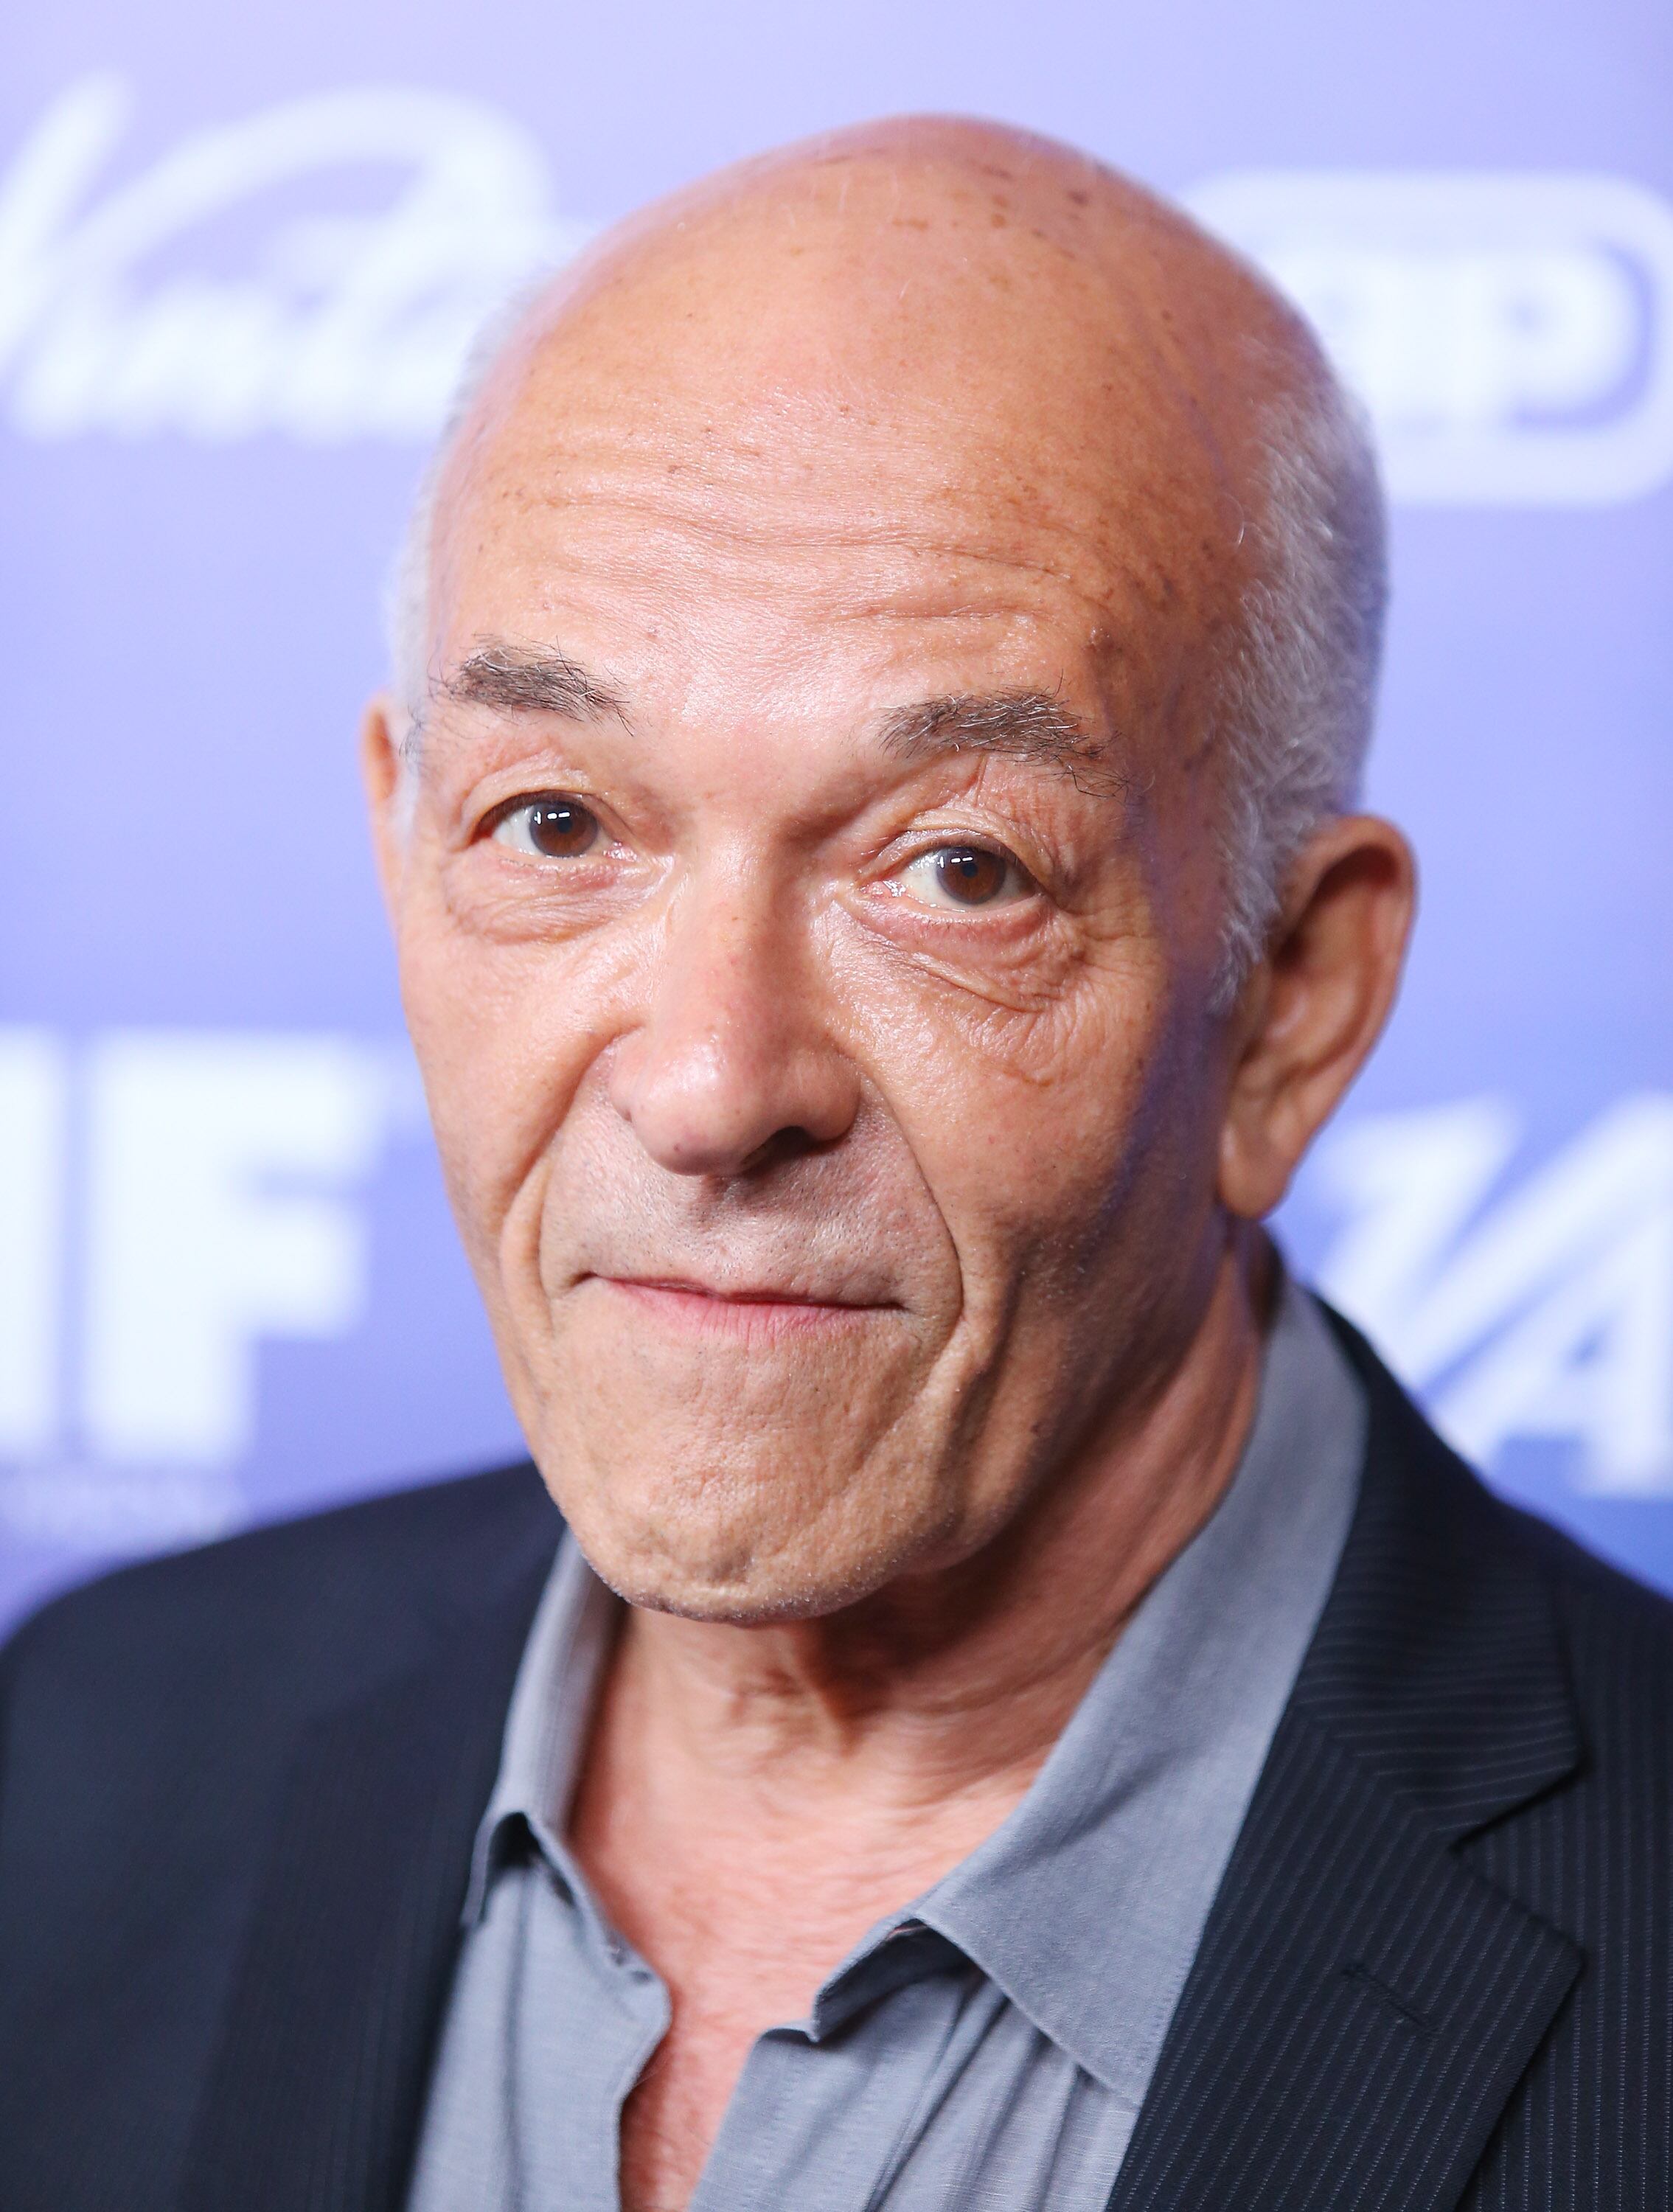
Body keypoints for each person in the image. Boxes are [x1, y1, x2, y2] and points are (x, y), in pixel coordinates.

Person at [0, 114, 1667, 2212]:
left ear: (1291, 1002)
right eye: (556, 825)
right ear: (399, 852)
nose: (710, 1083)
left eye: (955, 869)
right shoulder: (89, 1764)